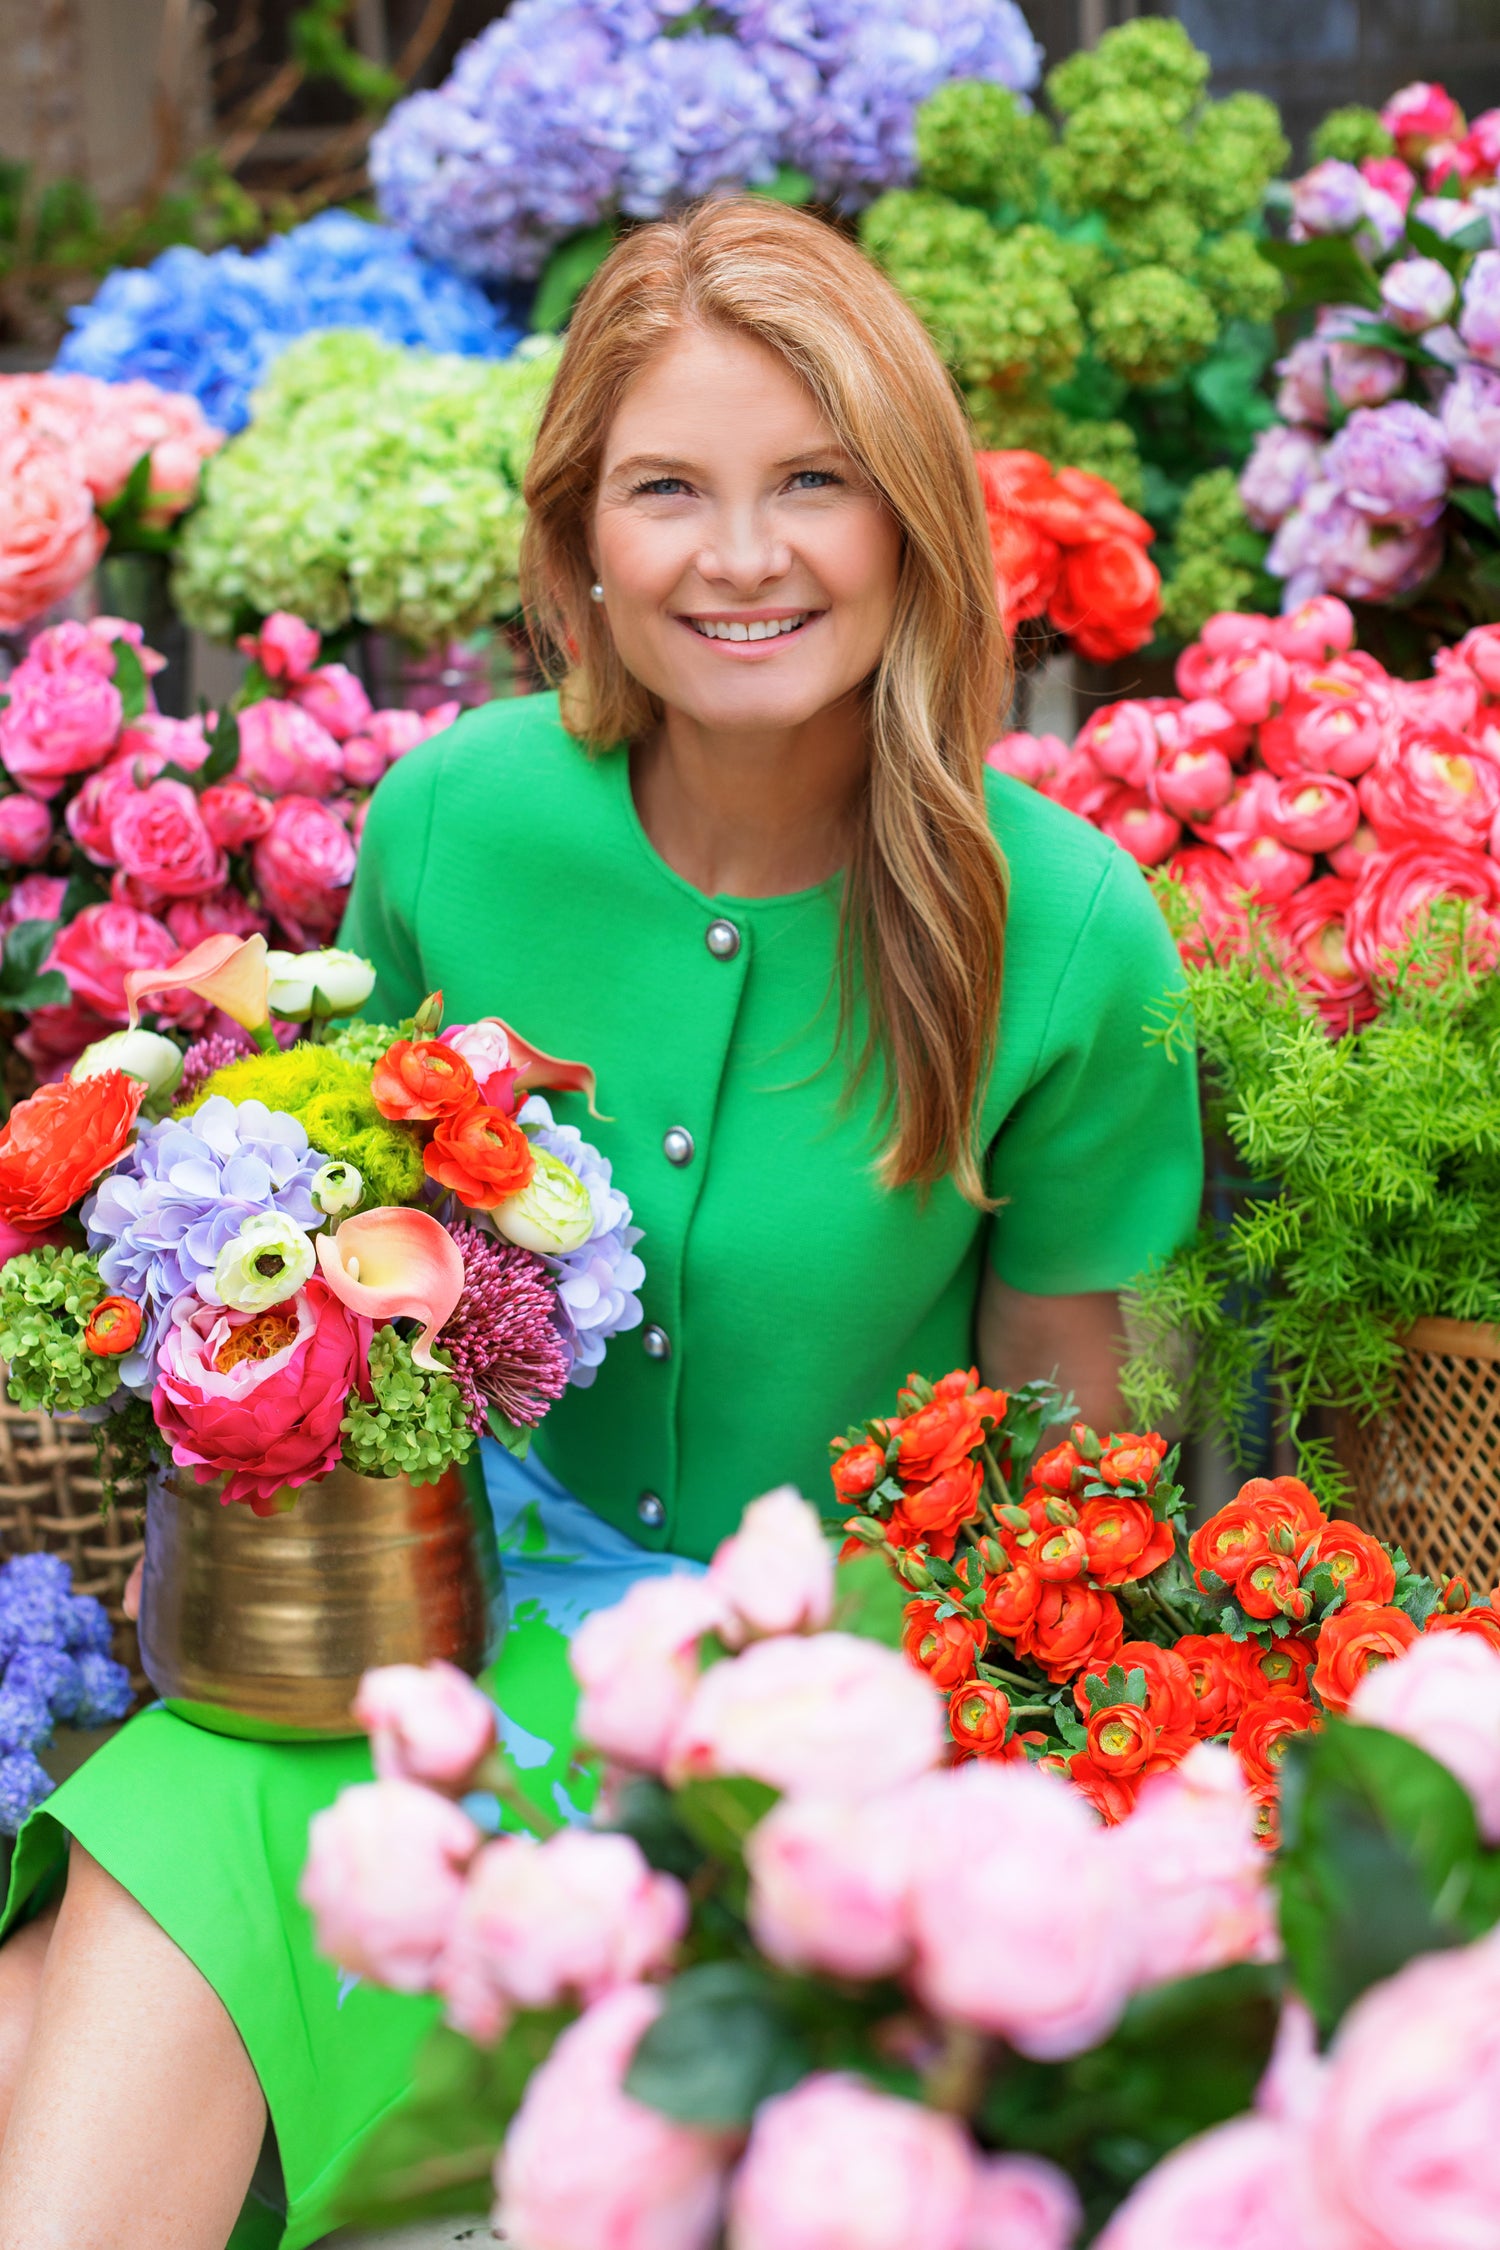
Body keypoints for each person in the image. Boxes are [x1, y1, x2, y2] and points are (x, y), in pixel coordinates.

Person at [0, 197, 1201, 2250]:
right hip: (421, 1625)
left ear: (911, 518)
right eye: (671, 490)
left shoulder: (1066, 925)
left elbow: (1072, 1475)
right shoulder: (453, 821)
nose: (743, 557)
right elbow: (356, 1233)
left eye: (813, 482)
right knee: (160, 1847)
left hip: (808, 1690)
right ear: (579, 546)